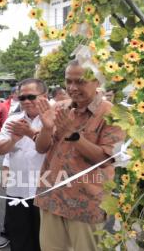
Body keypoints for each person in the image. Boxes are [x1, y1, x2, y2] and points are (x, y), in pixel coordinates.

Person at [35, 59, 125, 251]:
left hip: (86, 203)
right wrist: (46, 128)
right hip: (52, 196)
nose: (73, 88)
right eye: (69, 81)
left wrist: (73, 135)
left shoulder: (112, 114)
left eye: (80, 81)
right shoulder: (60, 107)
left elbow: (106, 159)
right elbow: (41, 148)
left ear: (98, 82)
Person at [0, 79, 47, 251]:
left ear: (44, 96)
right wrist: (13, 140)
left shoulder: (54, 121)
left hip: (46, 191)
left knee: (44, 240)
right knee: (19, 238)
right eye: (22, 97)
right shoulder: (13, 120)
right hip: (17, 189)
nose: (25, 101)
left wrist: (30, 133)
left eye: (31, 96)